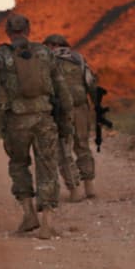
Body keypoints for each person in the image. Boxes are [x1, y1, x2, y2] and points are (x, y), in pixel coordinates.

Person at [0, 13, 75, 237]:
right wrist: (66, 118)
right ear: (29, 30)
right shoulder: (44, 53)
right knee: (47, 166)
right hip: (44, 118)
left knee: (19, 164)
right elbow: (62, 89)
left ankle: (28, 213)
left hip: (15, 120)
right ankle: (47, 221)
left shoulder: (0, 56)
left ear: (7, 32)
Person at [43, 33, 100, 201]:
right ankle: (89, 186)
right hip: (80, 108)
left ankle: (75, 189)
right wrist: (96, 105)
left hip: (60, 111)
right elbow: (91, 83)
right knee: (82, 145)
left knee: (63, 149)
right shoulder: (79, 59)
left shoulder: (47, 61)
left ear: (52, 45)